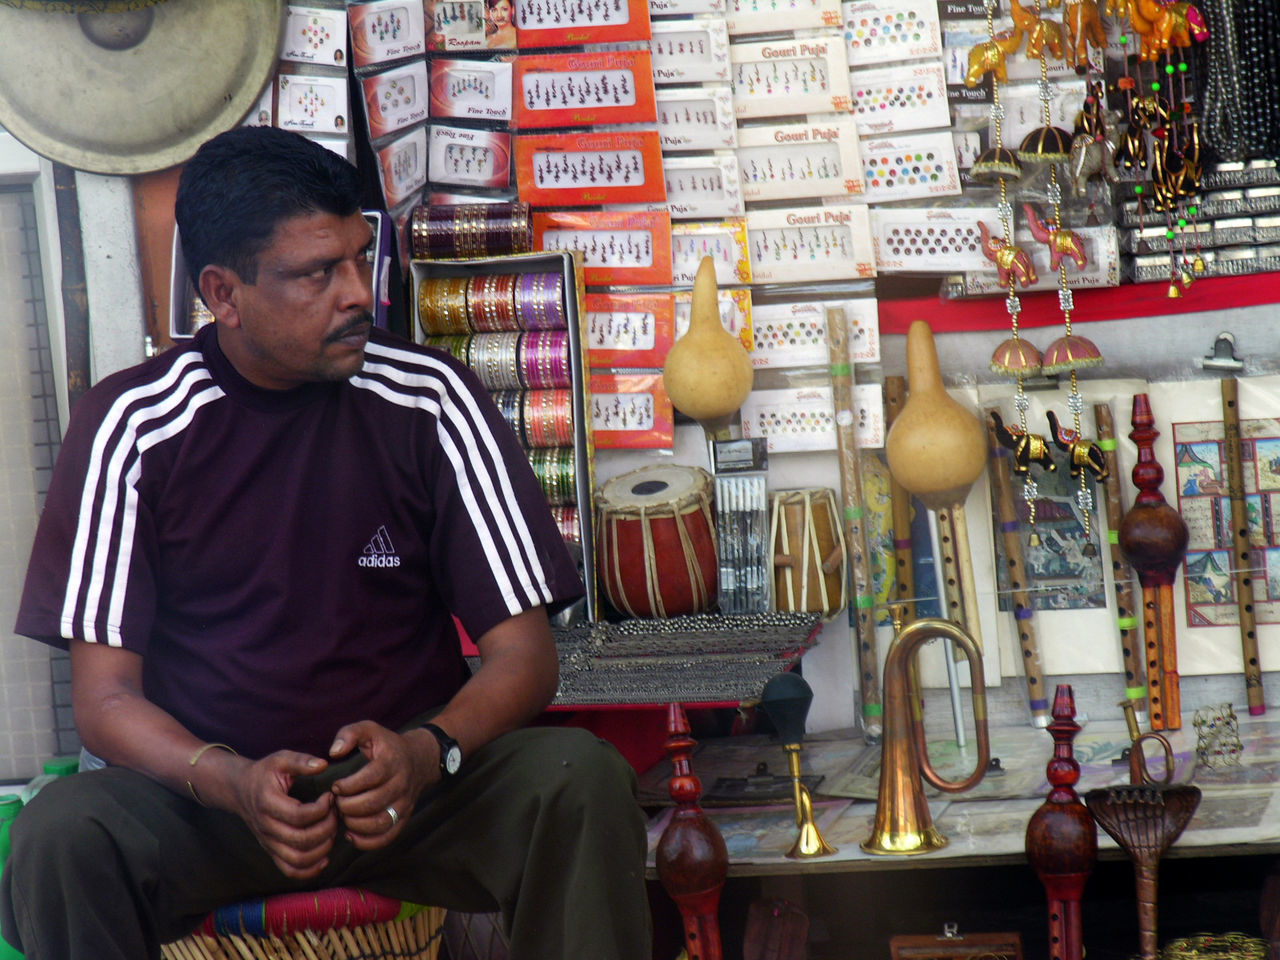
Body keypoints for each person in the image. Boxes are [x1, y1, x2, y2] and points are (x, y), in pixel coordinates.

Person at [0, 125, 651, 960]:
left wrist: (428, 751)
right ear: (222, 294)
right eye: (316, 273)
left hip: (410, 798)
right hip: (213, 802)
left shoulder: (430, 399)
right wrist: (230, 779)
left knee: (580, 780)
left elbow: (525, 656)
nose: (356, 295)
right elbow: (106, 703)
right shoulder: (132, 425)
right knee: (60, 835)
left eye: (357, 259)